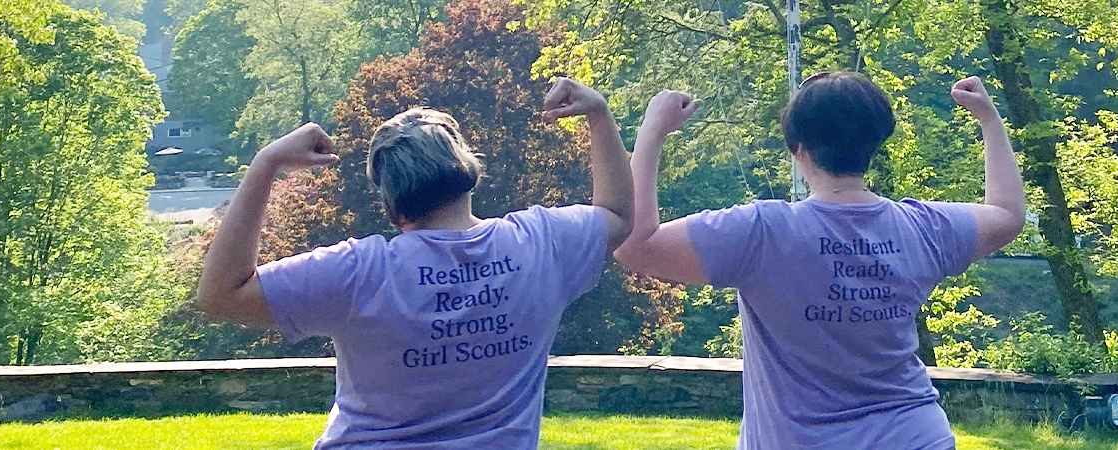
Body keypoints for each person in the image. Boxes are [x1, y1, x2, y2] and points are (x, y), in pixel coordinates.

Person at [194, 77, 632, 449]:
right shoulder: (543, 244)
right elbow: (618, 216)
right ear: (467, 172)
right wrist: (598, 113)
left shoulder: (360, 272)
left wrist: (265, 164)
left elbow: (220, 296)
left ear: (392, 208)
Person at [614, 73, 1026, 449]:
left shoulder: (761, 232)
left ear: (797, 149)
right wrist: (989, 120)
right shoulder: (923, 228)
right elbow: (1007, 215)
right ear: (876, 142)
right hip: (915, 436)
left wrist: (652, 132)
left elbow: (634, 245)